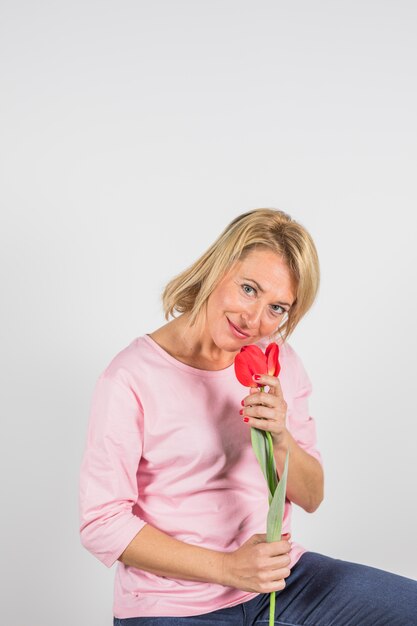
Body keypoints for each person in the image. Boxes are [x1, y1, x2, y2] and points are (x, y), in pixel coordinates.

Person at [79, 208, 417, 625]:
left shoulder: (278, 362)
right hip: (172, 604)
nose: (255, 320)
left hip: (280, 584)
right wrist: (228, 569)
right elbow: (101, 524)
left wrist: (280, 438)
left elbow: (312, 496)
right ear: (218, 268)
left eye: (277, 308)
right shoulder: (130, 375)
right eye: (248, 289)